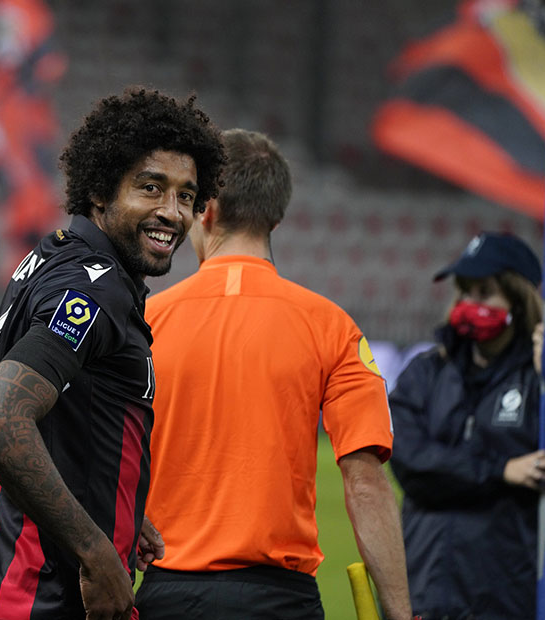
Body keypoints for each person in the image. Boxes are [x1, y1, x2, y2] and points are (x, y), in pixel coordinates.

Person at [0, 87, 226, 620]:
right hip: (34, 596)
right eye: (151, 188)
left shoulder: (47, 258)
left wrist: (105, 502)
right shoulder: (96, 289)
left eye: (187, 196)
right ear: (100, 191)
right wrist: (96, 551)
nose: (172, 213)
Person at [135, 129, 413, 620]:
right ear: (277, 218)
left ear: (207, 209)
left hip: (169, 595)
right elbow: (365, 483)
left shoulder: (144, 322)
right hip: (280, 601)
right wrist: (397, 612)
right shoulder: (332, 327)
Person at [390, 231, 545, 619]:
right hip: (425, 591)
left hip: (504, 598)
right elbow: (412, 460)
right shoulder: (425, 373)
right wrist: (500, 470)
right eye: (465, 291)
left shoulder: (539, 384)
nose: (469, 303)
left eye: (484, 292)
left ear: (517, 299)